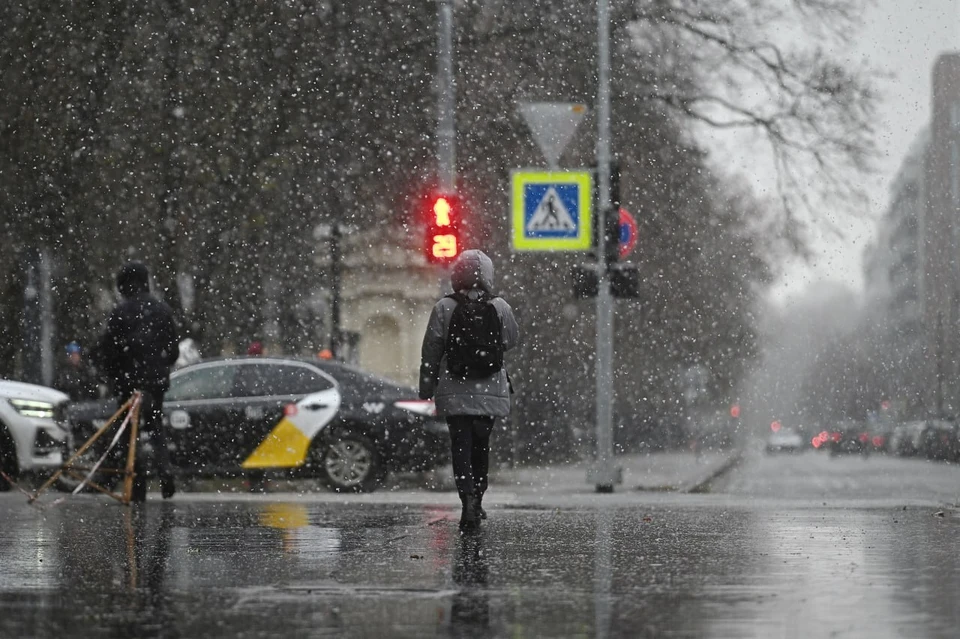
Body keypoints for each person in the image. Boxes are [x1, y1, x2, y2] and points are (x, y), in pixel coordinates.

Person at [419, 250, 519, 530]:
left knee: (460, 447)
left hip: (454, 388)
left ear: (456, 275)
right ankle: (479, 497)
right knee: (480, 447)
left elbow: (431, 352)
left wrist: (426, 388)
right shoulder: (499, 306)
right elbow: (511, 339)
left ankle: (467, 502)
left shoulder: (443, 307)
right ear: (488, 275)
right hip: (489, 388)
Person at [91, 262, 180, 502]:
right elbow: (173, 350)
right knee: (155, 426)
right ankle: (165, 470)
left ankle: (137, 481)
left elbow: (109, 351)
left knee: (130, 432)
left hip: (128, 382)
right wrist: (160, 367)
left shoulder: (120, 313)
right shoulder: (162, 310)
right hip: (156, 381)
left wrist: (114, 375)